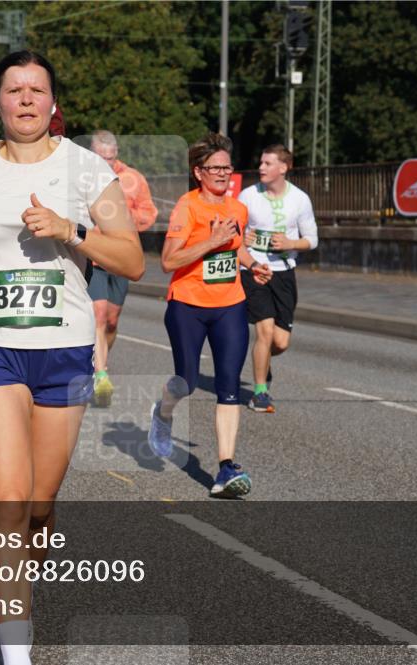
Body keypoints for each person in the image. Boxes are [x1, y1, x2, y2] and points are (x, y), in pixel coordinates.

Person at [0, 50, 144, 665]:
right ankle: (16, 650)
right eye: (14, 89)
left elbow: (132, 260)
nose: (25, 98)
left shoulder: (86, 170)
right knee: (8, 500)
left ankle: (18, 591)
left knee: (39, 507)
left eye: (36, 89)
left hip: (64, 350)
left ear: (53, 104)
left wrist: (70, 231)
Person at [147, 132, 271, 498]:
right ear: (198, 172)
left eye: (227, 168)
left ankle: (226, 467)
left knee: (228, 386)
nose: (222, 174)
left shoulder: (237, 209)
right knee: (185, 381)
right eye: (214, 168)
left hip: (230, 304)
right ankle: (163, 413)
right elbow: (169, 260)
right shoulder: (187, 208)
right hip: (188, 305)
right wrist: (211, 242)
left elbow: (236, 248)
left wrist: (253, 265)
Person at [238, 144, 318, 413]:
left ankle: (263, 364)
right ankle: (260, 393)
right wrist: (243, 238)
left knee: (280, 342)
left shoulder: (300, 199)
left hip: (284, 273)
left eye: (268, 163)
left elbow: (312, 240)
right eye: (261, 162)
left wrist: (290, 243)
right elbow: (233, 233)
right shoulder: (248, 196)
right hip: (255, 270)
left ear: (283, 167)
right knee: (265, 331)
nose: (261, 167)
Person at [87, 130, 158, 407]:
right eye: (101, 158)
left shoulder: (133, 179)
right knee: (98, 314)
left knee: (112, 320)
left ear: (116, 154)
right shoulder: (84, 178)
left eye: (111, 157)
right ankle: (100, 374)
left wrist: (122, 219)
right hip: (94, 255)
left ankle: (100, 360)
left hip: (121, 257)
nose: (107, 162)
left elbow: (149, 213)